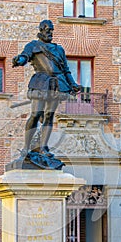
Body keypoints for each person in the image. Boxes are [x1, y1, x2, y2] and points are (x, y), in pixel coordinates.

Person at [12, 19, 80, 159]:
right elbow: (25, 57)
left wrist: (72, 84)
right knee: (36, 114)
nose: (50, 32)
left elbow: (66, 70)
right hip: (41, 82)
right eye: (47, 29)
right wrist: (18, 60)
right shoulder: (33, 45)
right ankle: (26, 148)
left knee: (49, 115)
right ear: (41, 29)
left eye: (51, 30)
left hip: (57, 84)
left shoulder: (59, 49)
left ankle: (43, 148)